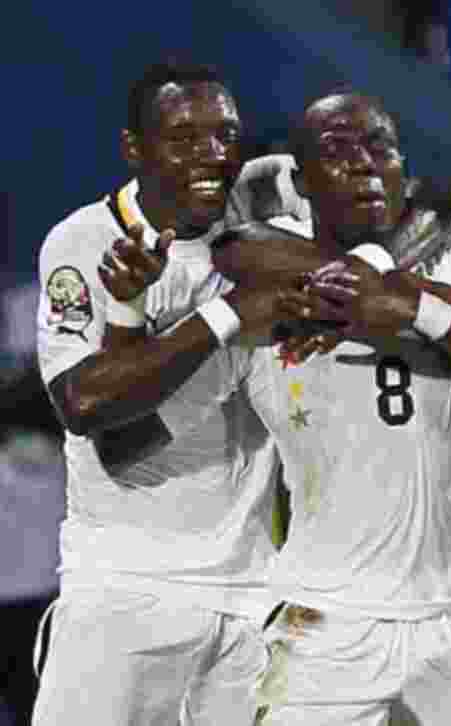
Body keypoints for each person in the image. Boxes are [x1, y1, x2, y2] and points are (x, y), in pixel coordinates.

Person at [163, 86, 451, 725]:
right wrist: (385, 282)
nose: (364, 163)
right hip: (322, 617)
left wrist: (419, 313)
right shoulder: (267, 278)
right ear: (300, 180)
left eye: (381, 146)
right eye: (338, 151)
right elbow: (230, 241)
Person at [33, 60, 301, 726]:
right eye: (184, 138)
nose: (211, 154)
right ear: (135, 149)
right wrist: (228, 312)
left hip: (251, 599)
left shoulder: (265, 246)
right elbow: (86, 407)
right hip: (124, 593)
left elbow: (424, 214)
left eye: (224, 136)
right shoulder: (85, 241)